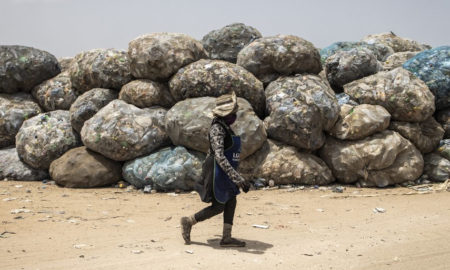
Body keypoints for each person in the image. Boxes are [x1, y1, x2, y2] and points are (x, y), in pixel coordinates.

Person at [180, 91, 250, 247]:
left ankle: (226, 237)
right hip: (215, 170)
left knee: (231, 198)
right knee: (219, 205)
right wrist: (238, 179)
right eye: (233, 112)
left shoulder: (226, 127)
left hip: (224, 170)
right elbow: (219, 156)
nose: (235, 115)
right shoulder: (217, 129)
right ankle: (189, 221)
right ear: (226, 113)